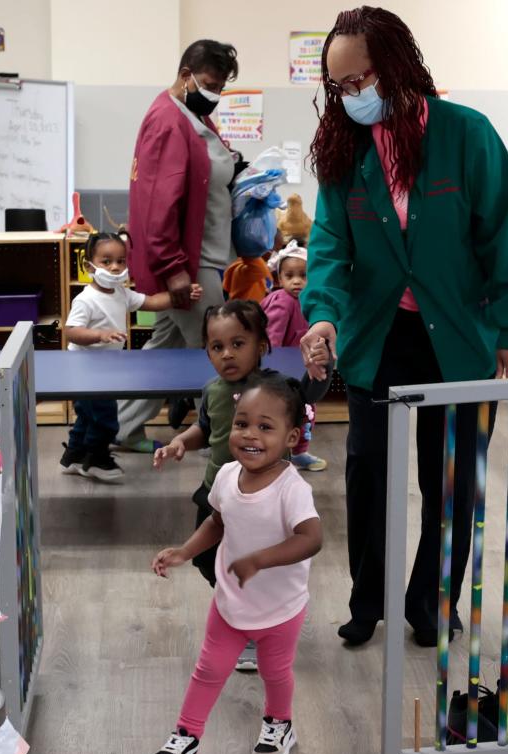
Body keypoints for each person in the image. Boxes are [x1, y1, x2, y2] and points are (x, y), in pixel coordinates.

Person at [301, 6, 508, 648]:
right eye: (339, 88)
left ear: (398, 69)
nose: (352, 97)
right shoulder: (344, 148)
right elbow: (328, 243)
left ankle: (433, 603)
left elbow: (504, 234)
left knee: (451, 478)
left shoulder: (467, 135)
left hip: (457, 335)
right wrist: (321, 313)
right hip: (377, 336)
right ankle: (366, 600)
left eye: (360, 82)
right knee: (368, 469)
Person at [148, 378, 322, 754]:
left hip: (280, 608)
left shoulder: (291, 490)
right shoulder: (227, 475)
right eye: (242, 424)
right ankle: (187, 738)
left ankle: (280, 724)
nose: (250, 435)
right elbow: (217, 521)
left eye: (265, 427)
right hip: (230, 602)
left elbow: (311, 539)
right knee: (208, 670)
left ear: (292, 437)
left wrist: (261, 559)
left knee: (274, 672)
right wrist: (184, 551)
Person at [154, 299, 327, 670]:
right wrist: (181, 441)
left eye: (238, 344)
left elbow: (308, 396)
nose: (227, 354)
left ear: (261, 347)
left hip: (261, 497)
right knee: (205, 559)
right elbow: (207, 428)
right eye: (217, 347)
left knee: (244, 563)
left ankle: (252, 629)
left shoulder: (274, 387)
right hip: (217, 490)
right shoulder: (212, 390)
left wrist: (319, 370)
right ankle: (244, 611)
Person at [116, 39, 240, 453]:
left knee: (161, 351)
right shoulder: (170, 121)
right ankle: (228, 443)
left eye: (221, 87)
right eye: (209, 83)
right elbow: (159, 204)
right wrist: (175, 272)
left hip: (199, 255)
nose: (215, 94)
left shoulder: (189, 114)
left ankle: (121, 429)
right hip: (190, 263)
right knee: (224, 350)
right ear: (186, 74)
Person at [60, 232, 202, 483]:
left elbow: (152, 302)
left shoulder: (121, 293)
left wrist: (180, 294)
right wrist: (99, 335)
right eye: (106, 262)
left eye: (121, 261)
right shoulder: (86, 299)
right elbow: (71, 331)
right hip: (85, 372)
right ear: (88, 265)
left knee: (87, 415)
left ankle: (74, 455)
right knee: (104, 416)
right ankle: (96, 458)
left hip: (105, 371)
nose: (115, 267)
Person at [261, 240, 325, 472]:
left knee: (306, 412)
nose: (297, 281)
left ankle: (299, 452)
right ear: (280, 279)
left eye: (303, 275)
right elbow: (272, 342)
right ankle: (279, 454)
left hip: (303, 371)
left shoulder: (309, 301)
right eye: (289, 276)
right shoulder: (283, 302)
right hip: (284, 375)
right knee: (283, 415)